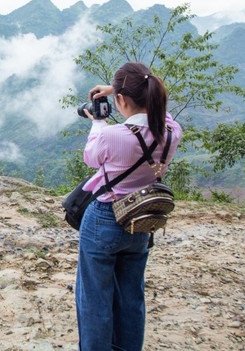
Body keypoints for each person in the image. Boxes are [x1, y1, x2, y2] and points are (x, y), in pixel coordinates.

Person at [75, 62, 183, 351]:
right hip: (141, 219)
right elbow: (162, 111)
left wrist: (98, 121)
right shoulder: (172, 132)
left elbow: (91, 157)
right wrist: (118, 89)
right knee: (131, 299)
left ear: (121, 100)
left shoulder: (113, 135)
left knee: (95, 299)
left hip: (105, 219)